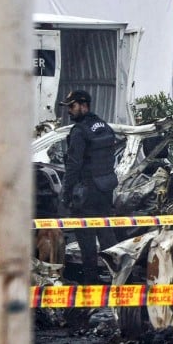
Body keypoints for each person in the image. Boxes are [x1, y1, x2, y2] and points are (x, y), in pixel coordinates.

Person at [59, 90, 119, 283]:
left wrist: (66, 194)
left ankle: (91, 284)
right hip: (105, 191)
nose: (69, 111)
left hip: (85, 195)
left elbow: (73, 166)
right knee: (106, 237)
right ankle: (119, 278)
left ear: (84, 105)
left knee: (86, 242)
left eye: (72, 106)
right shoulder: (105, 127)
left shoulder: (79, 131)